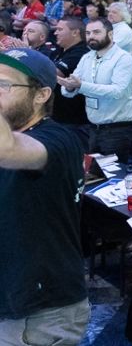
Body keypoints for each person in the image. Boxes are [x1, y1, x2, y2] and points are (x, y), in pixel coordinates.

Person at [0, 48, 89, 345]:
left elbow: (8, 149)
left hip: (41, 314)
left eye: (2, 85)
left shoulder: (59, 140)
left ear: (41, 95)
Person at [58, 18, 132, 162]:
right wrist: (68, 87)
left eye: (96, 32)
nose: (91, 36)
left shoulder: (123, 59)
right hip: (93, 128)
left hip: (117, 129)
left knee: (114, 178)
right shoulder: (87, 57)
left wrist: (81, 86)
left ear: (110, 34)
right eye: (88, 33)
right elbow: (69, 91)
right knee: (95, 175)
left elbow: (117, 91)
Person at [49, 17, 89, 142]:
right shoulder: (59, 51)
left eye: (60, 29)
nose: (55, 33)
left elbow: (53, 73)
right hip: (58, 115)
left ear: (75, 32)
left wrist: (28, 54)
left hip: (73, 120)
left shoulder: (82, 52)